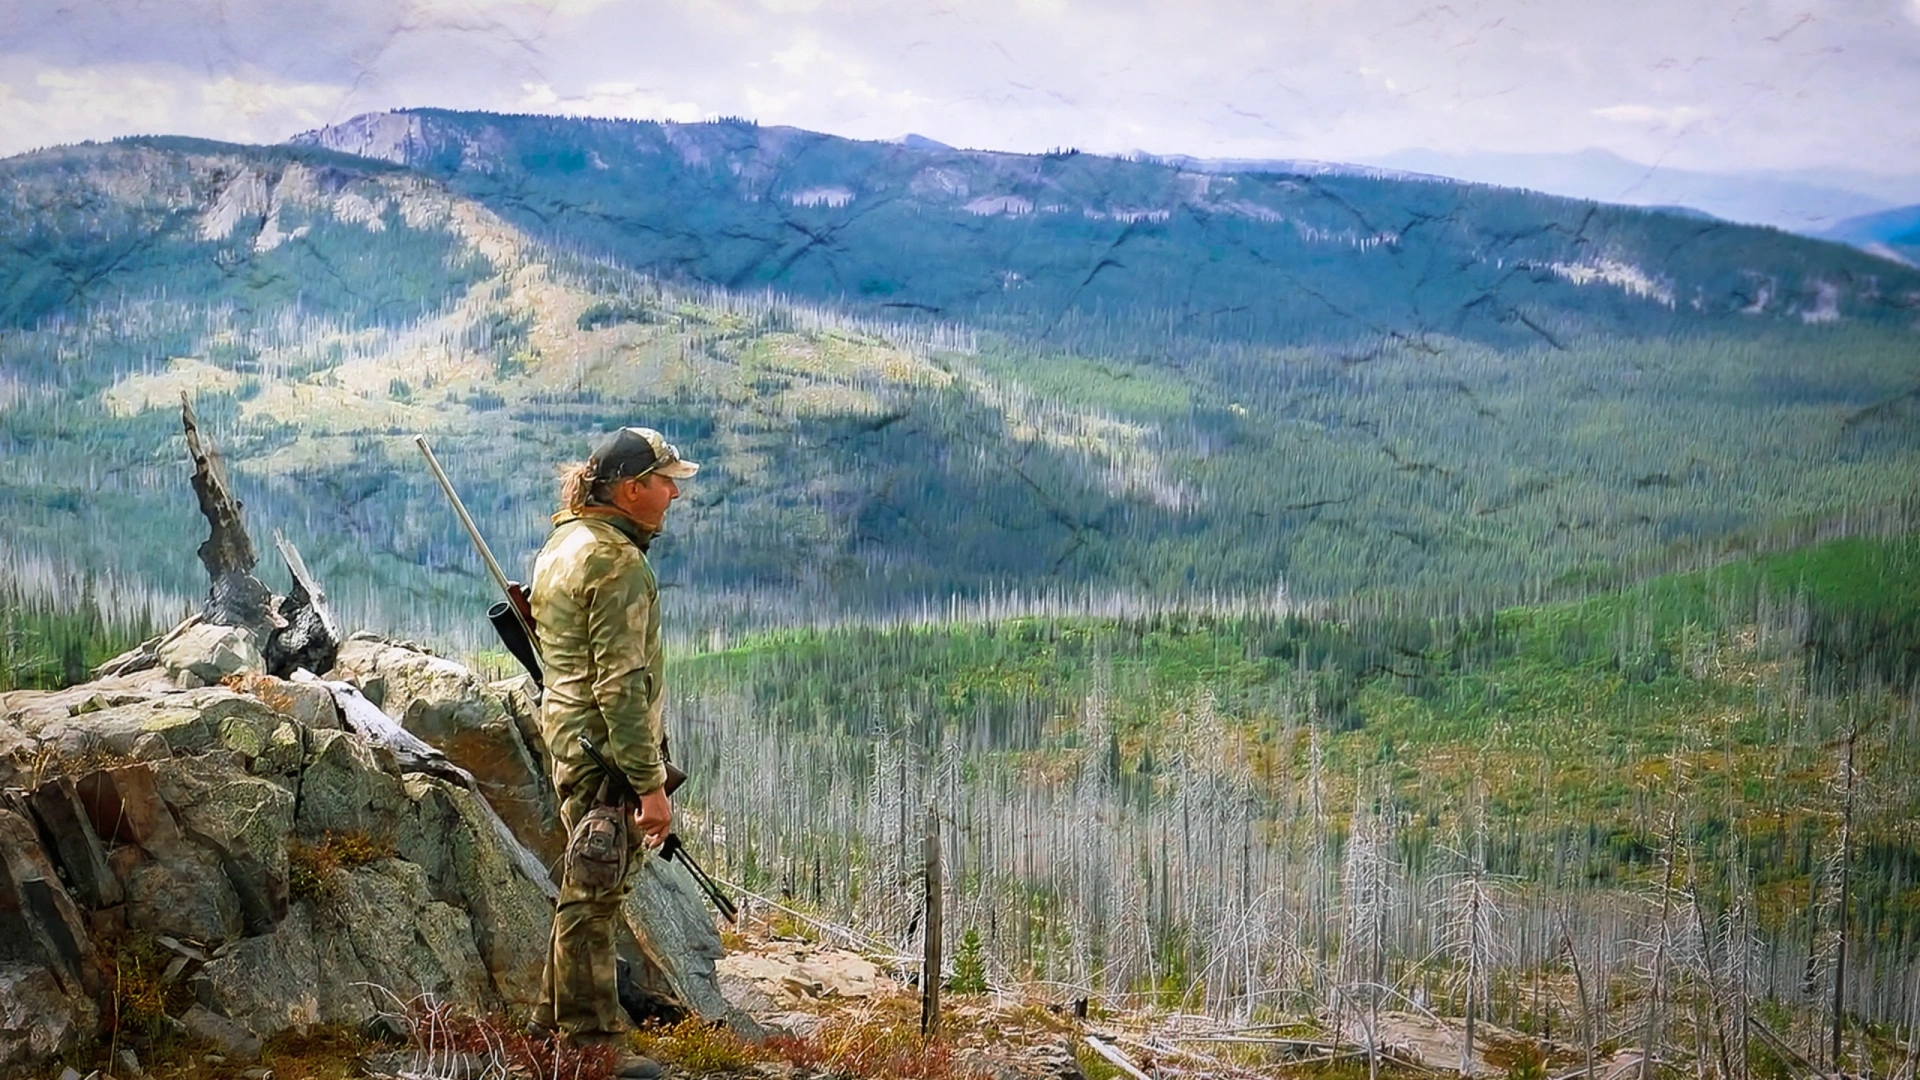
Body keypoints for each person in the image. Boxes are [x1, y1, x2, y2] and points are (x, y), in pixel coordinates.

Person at [528, 426, 698, 1078]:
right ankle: (591, 1049)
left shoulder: (565, 542)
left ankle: (545, 1030)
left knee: (583, 883)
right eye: (664, 481)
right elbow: (622, 687)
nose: (674, 493)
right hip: (606, 756)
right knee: (594, 903)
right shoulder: (619, 564)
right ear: (631, 489)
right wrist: (650, 786)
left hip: (571, 742)